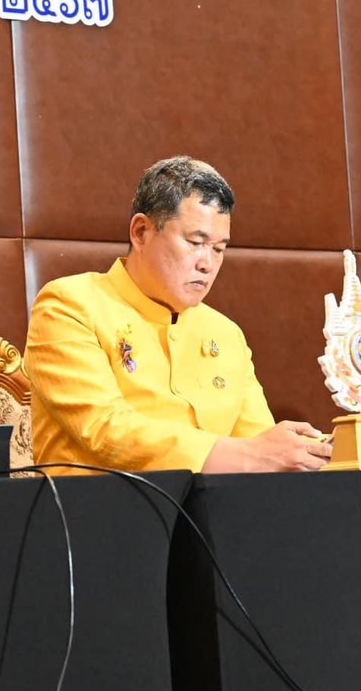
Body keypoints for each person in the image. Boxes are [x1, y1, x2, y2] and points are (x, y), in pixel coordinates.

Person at [25, 156, 332, 473]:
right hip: (97, 513)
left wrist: (307, 453)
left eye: (219, 249)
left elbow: (257, 442)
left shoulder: (225, 333)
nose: (207, 263)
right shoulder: (70, 305)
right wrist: (252, 456)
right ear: (141, 232)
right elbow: (105, 430)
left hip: (214, 515)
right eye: (195, 242)